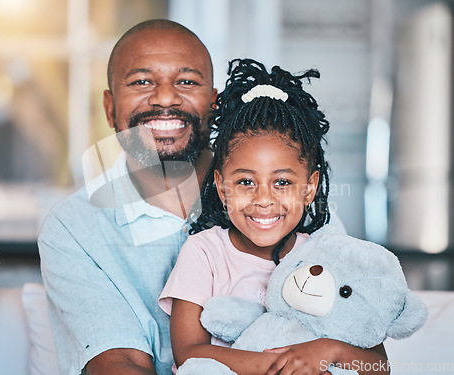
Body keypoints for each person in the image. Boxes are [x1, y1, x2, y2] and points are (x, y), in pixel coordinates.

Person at [159, 59, 389, 374]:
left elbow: (378, 366)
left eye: (282, 182)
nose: (264, 199)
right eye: (245, 182)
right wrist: (281, 367)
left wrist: (329, 350)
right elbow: (188, 353)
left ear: (310, 188)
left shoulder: (328, 256)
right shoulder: (204, 252)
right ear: (222, 188)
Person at [38, 19, 217, 375]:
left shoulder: (281, 199)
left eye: (186, 81)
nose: (166, 97)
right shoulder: (72, 228)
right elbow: (120, 363)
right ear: (109, 108)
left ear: (213, 104)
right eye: (141, 82)